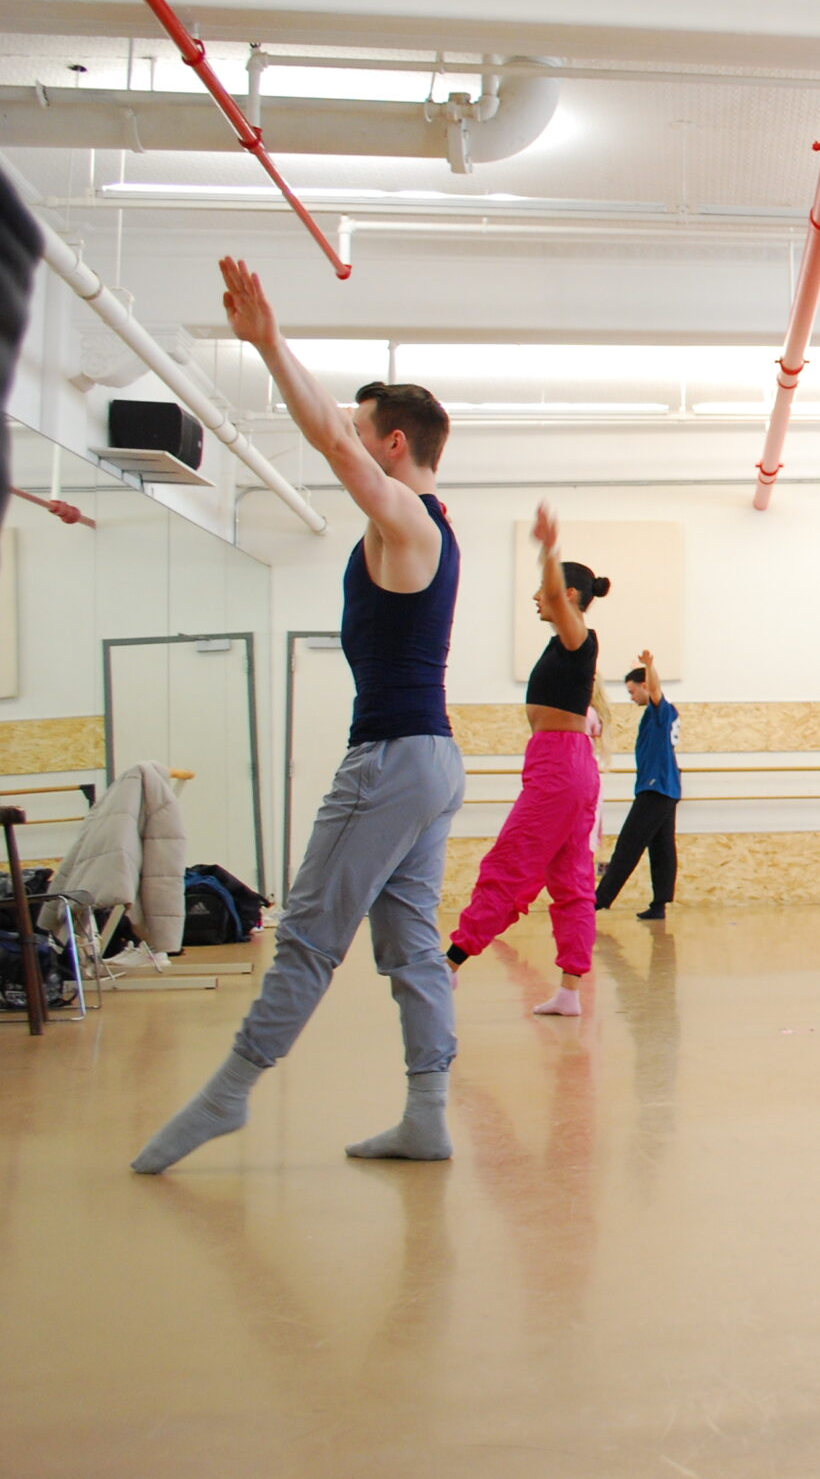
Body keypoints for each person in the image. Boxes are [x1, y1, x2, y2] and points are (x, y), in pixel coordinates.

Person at [135, 259, 466, 1173]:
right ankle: (428, 1115)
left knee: (309, 935)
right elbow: (336, 438)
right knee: (410, 946)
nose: (350, 444)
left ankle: (228, 1096)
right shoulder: (419, 525)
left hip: (395, 759)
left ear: (392, 445)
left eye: (366, 435)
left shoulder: (408, 518)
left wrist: (269, 343)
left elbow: (329, 439)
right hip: (431, 761)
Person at [446, 508, 608, 1017]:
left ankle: (448, 964)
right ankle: (569, 991)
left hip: (560, 767)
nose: (537, 597)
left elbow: (555, 594)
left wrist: (548, 550)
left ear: (571, 597)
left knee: (512, 863)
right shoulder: (567, 643)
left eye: (547, 591)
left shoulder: (577, 635)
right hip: (568, 766)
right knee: (570, 878)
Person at [596, 651, 681, 921]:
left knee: (629, 844)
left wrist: (650, 666)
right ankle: (660, 904)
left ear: (645, 686)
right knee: (662, 848)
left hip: (656, 789)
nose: (631, 697)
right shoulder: (657, 715)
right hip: (666, 789)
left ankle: (598, 900)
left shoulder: (661, 709)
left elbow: (655, 688)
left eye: (633, 691)